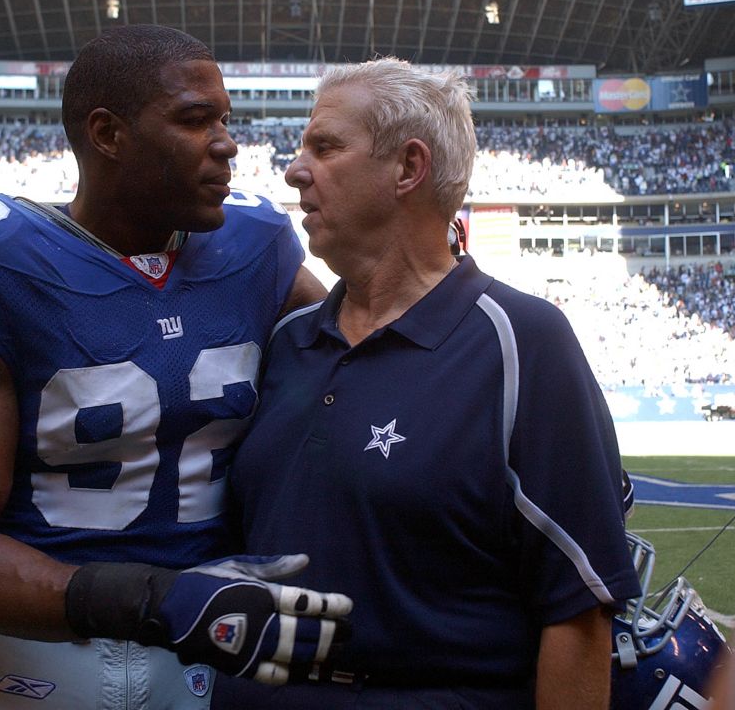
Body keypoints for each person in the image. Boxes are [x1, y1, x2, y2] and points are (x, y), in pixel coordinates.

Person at [0, 25, 349, 710]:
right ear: (107, 134)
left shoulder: (258, 248)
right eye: (195, 120)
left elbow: (363, 367)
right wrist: (152, 599)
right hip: (38, 647)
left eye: (225, 119)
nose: (227, 143)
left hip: (210, 647)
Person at [216, 58, 642, 708]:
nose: (294, 169)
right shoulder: (287, 342)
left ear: (407, 169)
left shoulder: (523, 341)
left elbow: (578, 619)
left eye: (324, 147)